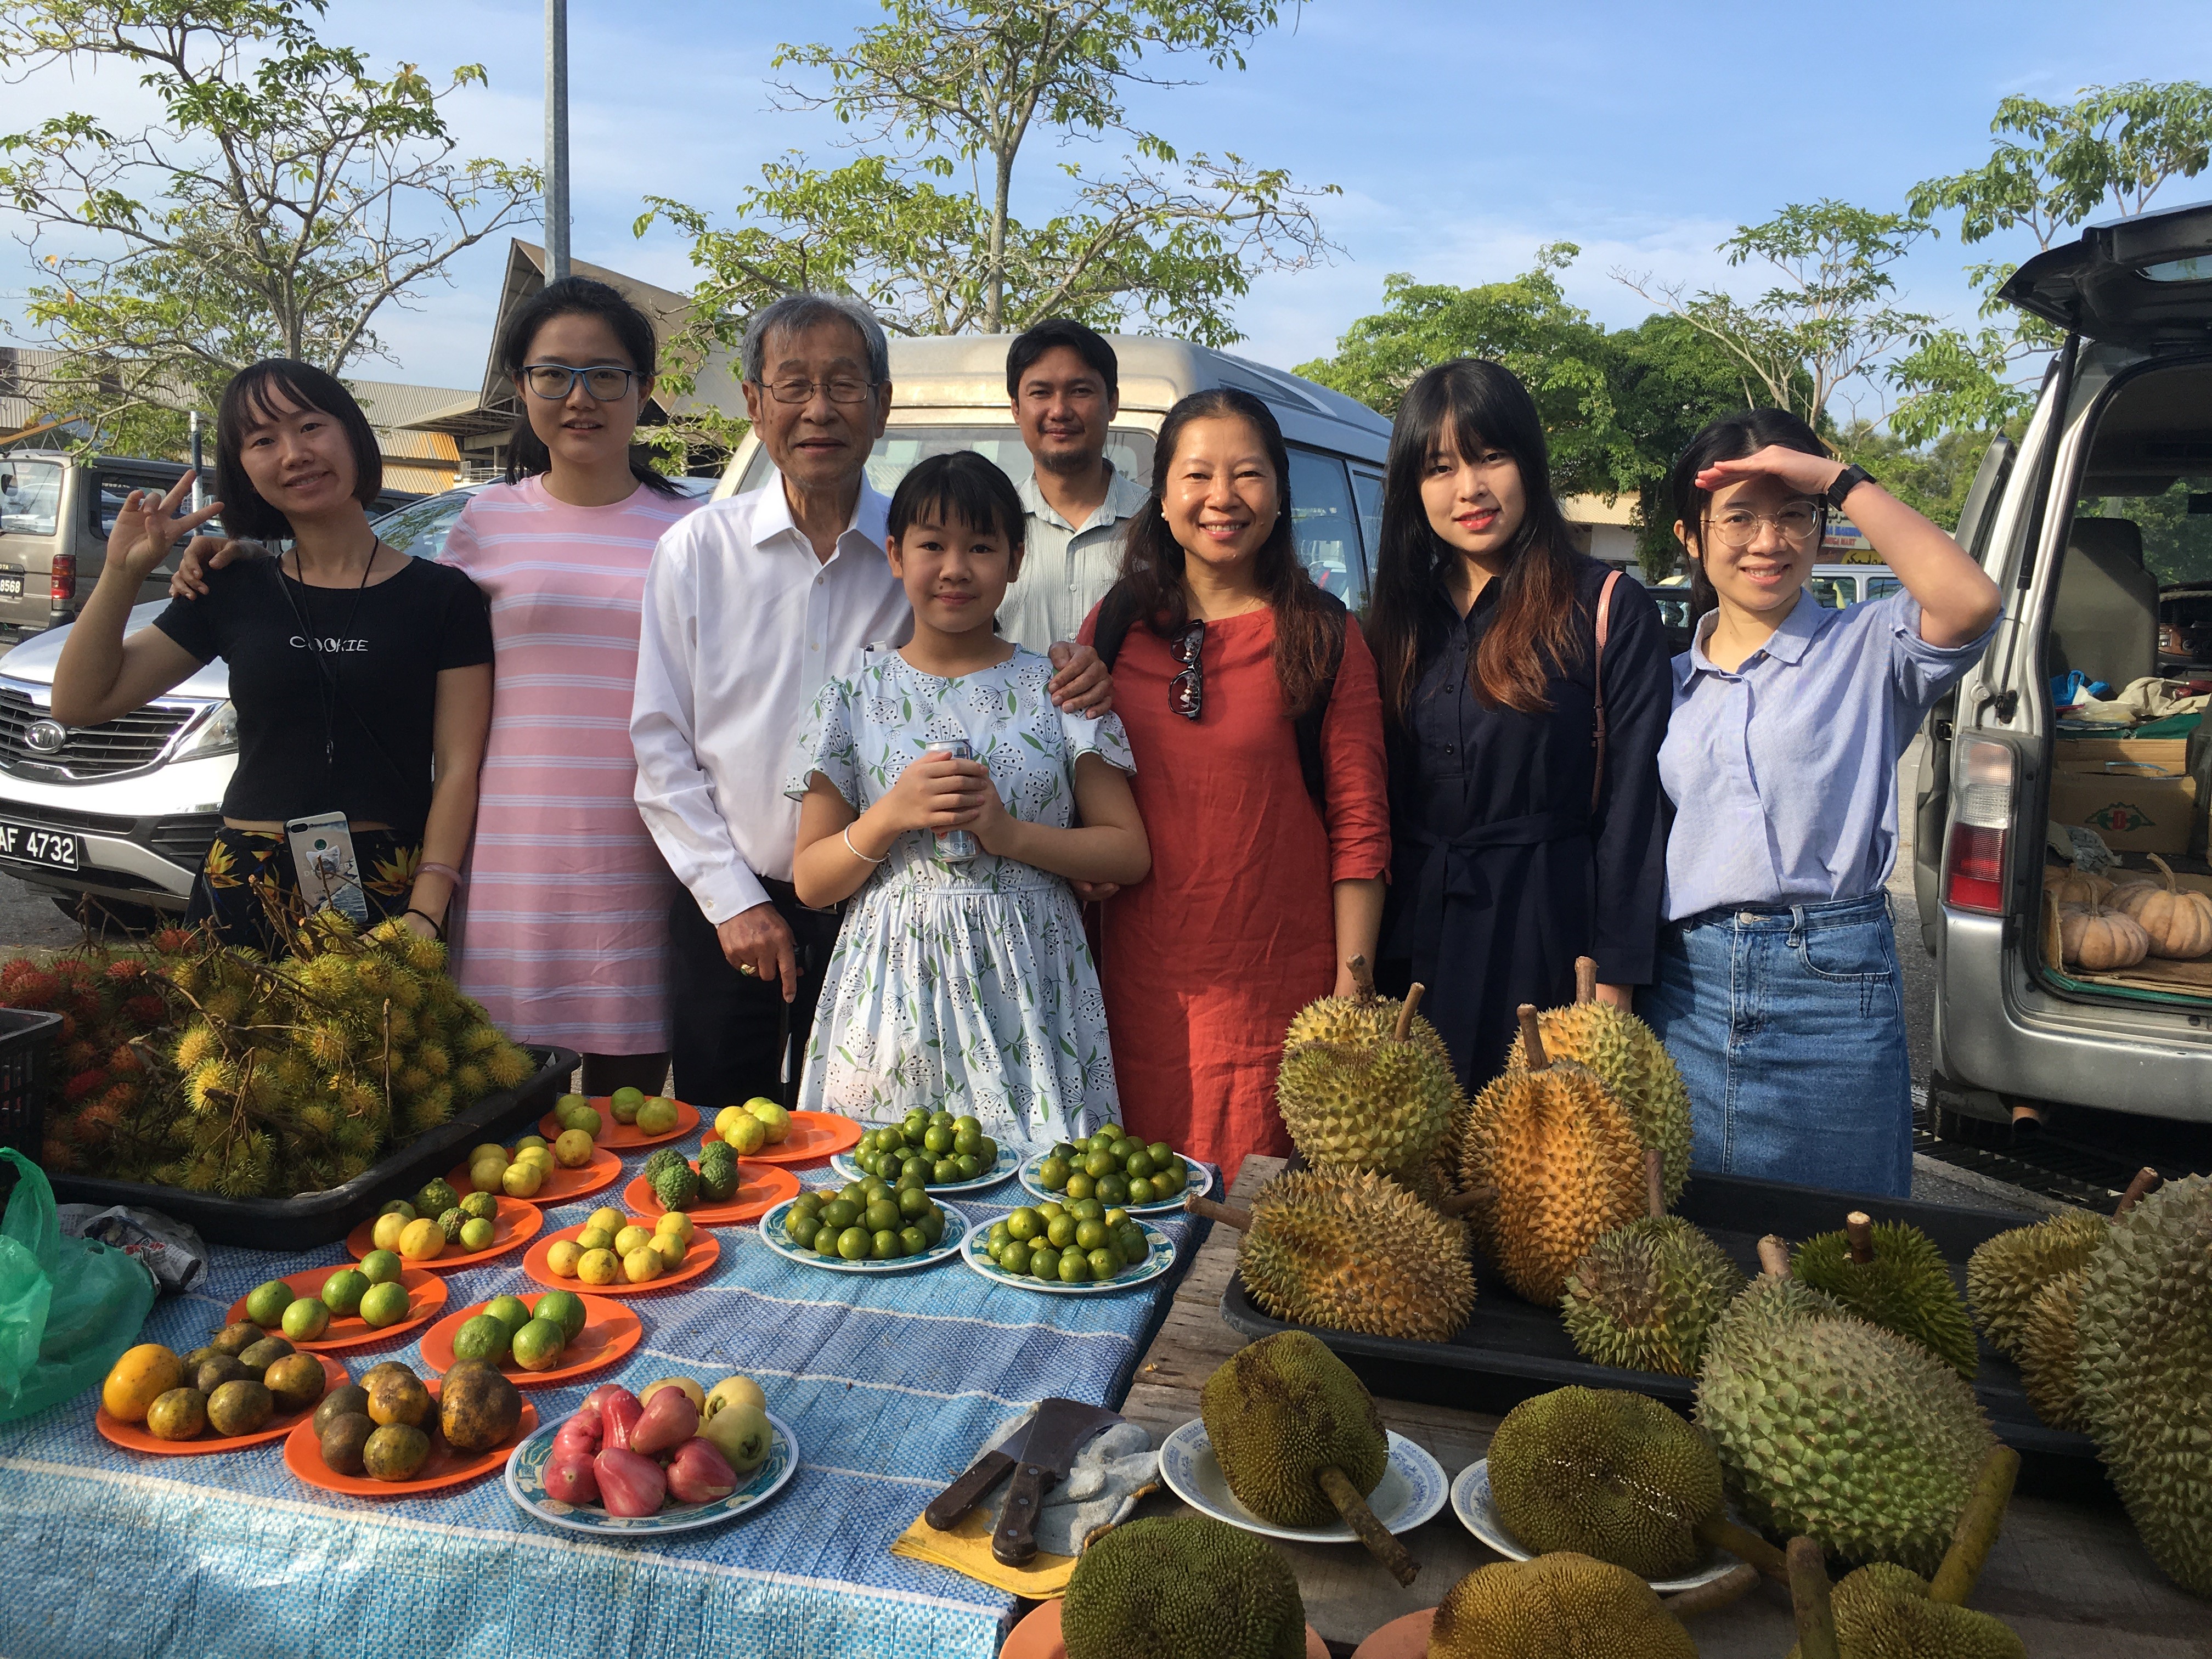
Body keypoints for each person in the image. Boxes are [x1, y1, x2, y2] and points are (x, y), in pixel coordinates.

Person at [631, 292, 1113, 1111]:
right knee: (726, 1142)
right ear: (755, 402)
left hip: (887, 917)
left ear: (882, 406)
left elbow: (1003, 658)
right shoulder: (697, 551)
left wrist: (1084, 666)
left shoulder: (925, 537)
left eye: (846, 385)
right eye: (794, 386)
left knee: (867, 1147)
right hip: (731, 908)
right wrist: (733, 900)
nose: (820, 409)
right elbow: (660, 745)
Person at [1640, 410, 2001, 1197]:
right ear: (1691, 537)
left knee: (1841, 1254)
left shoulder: (1870, 647)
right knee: (1688, 1249)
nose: (1768, 541)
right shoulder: (1665, 685)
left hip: (1831, 992)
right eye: (1738, 517)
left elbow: (1970, 600)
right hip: (1687, 991)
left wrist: (1836, 478)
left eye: (1794, 514)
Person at [52, 359, 492, 949]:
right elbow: (80, 702)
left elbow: (460, 768)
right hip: (240, 882)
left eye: (310, 427)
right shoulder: (231, 584)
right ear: (244, 471)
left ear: (353, 435)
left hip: (388, 884)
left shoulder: (444, 597)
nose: (293, 453)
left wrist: (428, 908)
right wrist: (122, 574)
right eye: (263, 440)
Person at [787, 452, 1149, 1143]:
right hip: (892, 985)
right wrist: (890, 816)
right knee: (890, 1199)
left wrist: (1010, 835)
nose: (956, 568)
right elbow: (810, 879)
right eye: (932, 545)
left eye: (981, 547)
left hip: (1029, 979)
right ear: (895, 555)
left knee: (1038, 1201)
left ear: (1015, 560)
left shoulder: (1062, 692)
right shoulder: (853, 697)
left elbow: (1128, 851)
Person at [1081, 387, 1390, 1174]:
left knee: (1245, 1227)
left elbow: (1360, 829)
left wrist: (1350, 1003)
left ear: (1280, 495)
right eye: (1197, 475)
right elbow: (1072, 776)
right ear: (1161, 494)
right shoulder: (1113, 626)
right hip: (1133, 986)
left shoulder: (1325, 635)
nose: (1223, 498)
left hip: (1274, 994)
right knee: (1127, 1211)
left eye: (1248, 474)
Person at [1366, 360, 1670, 1091]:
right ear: (1413, 488)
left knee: (1535, 1170)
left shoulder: (1606, 607)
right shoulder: (1393, 621)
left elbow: (1634, 810)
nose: (1468, 488)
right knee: (1406, 1173)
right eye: (1440, 467)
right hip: (1409, 939)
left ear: (1528, 463)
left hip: (1546, 933)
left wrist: (1615, 985)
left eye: (1489, 456)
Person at [993, 318, 1150, 655]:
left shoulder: (1160, 524)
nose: (1060, 411)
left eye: (1080, 391)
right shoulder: (989, 525)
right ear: (1016, 408)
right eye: (1040, 393)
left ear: (1112, 403)